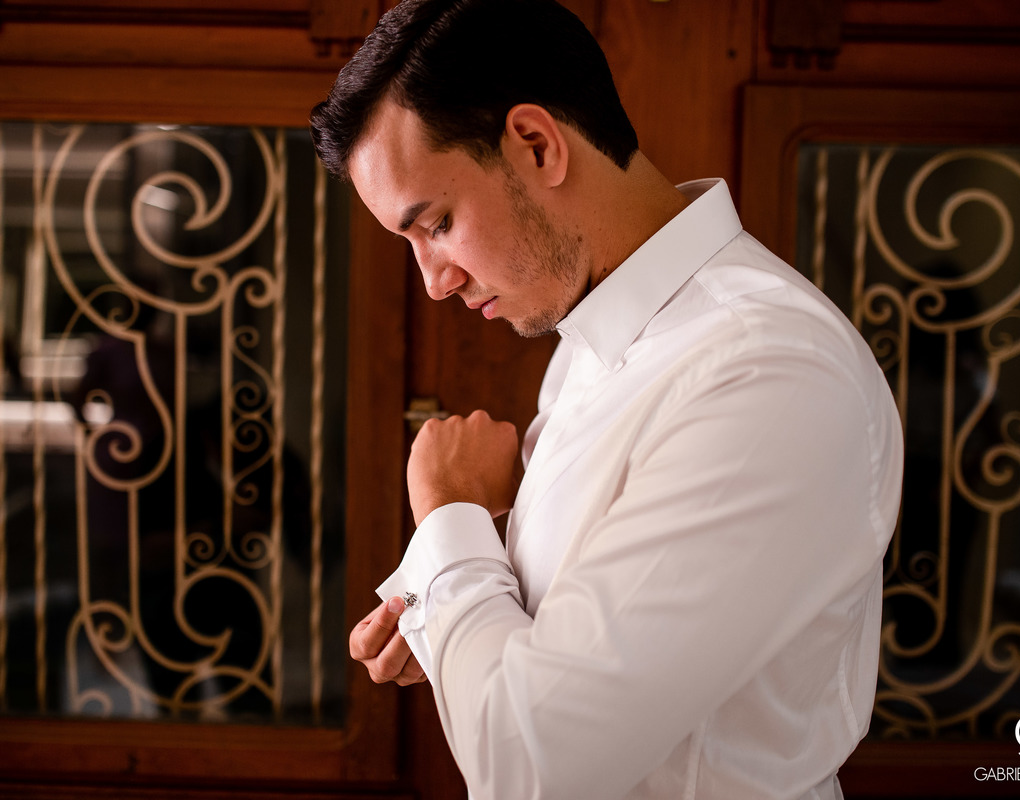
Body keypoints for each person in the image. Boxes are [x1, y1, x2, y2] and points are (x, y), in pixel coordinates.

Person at [309, 0, 903, 797]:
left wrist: (448, 515)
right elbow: (581, 627)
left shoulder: (769, 372)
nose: (435, 282)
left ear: (536, 144)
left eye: (438, 223)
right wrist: (451, 620)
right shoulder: (591, 337)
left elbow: (533, 767)